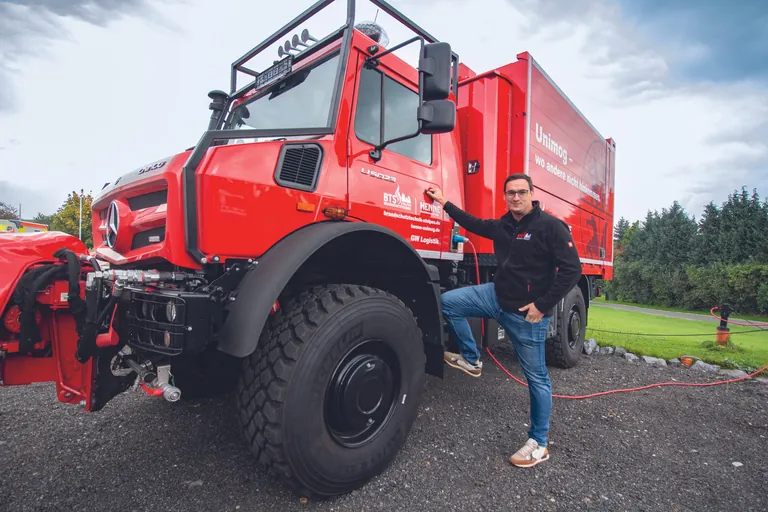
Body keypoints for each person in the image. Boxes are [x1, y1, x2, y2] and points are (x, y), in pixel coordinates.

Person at [425, 173, 582, 468]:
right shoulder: (504, 225)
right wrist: (444, 202)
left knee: (536, 378)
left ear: (532, 194)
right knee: (448, 303)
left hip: (526, 313)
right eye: (511, 193)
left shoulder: (550, 226)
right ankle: (472, 358)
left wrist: (542, 305)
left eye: (522, 192)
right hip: (495, 297)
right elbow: (473, 223)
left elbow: (572, 270)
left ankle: (539, 442)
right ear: (505, 196)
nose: (516, 197)